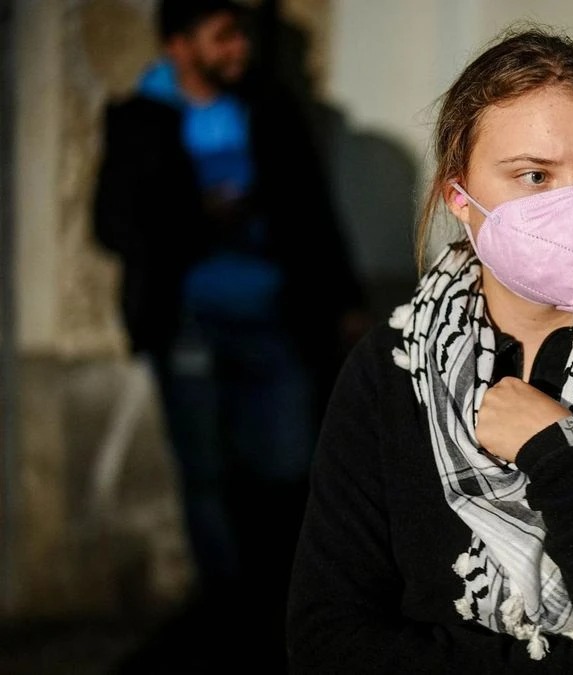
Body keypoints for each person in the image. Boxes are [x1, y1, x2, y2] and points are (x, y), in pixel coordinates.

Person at [286, 26, 573, 673]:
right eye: (534, 175)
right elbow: (327, 639)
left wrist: (560, 458)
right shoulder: (395, 366)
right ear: (459, 197)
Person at [92, 0, 366, 665]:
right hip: (188, 324)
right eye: (222, 37)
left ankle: (279, 605)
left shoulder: (269, 107)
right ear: (179, 45)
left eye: (240, 34)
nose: (239, 48)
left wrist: (345, 300)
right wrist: (198, 214)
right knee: (206, 473)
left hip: (274, 319)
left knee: (290, 466)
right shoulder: (138, 117)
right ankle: (227, 615)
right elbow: (111, 223)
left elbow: (313, 209)